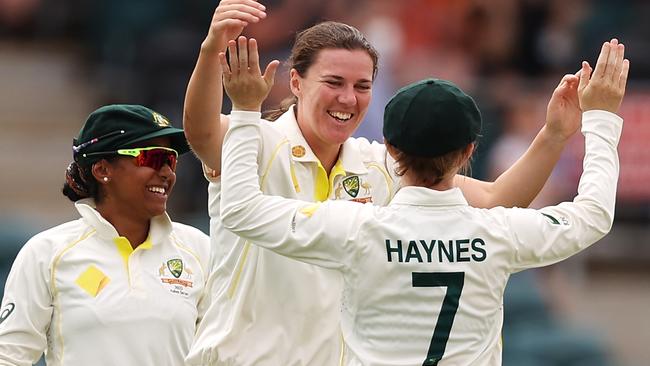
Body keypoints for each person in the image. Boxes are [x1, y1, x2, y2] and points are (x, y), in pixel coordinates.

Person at [184, 2, 584, 364]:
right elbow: (200, 133)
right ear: (295, 83)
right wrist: (210, 52)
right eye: (334, 82)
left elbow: (498, 198)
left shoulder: (382, 162)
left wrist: (553, 134)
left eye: (362, 86)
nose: (348, 99)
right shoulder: (254, 138)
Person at [0, 105, 211, 366]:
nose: (167, 172)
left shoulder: (199, 249)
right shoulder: (46, 253)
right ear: (102, 170)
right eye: (153, 158)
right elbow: (9, 356)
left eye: (171, 160)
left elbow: (220, 353)